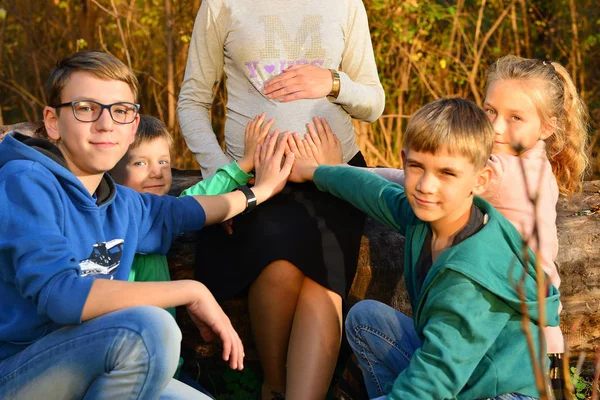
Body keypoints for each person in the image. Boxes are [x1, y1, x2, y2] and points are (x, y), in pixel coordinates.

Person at [0, 50, 293, 400]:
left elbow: (188, 210)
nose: (105, 124)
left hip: (97, 366)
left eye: (120, 111)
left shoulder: (123, 204)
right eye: (86, 108)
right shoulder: (25, 181)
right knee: (149, 328)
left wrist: (257, 192)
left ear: (133, 126)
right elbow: (60, 296)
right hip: (18, 373)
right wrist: (191, 291)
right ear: (52, 121)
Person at [177, 1, 385, 398]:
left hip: (332, 176)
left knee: (323, 280)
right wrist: (226, 177)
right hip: (256, 181)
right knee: (280, 263)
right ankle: (273, 384)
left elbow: (374, 103)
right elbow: (192, 101)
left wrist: (333, 82)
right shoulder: (222, 5)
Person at [287, 97, 560, 399]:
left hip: (501, 392)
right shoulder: (433, 216)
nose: (426, 186)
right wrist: (316, 172)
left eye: (447, 173)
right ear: (403, 161)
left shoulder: (470, 277)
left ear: (481, 180)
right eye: (417, 167)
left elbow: (433, 379)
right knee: (366, 320)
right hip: (462, 373)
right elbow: (376, 193)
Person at [361, 56, 589, 384]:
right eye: (490, 110)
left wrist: (353, 170)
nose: (496, 126)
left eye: (515, 118)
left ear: (547, 127)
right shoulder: (535, 167)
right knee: (367, 319)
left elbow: (410, 179)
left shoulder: (502, 173)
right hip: (529, 346)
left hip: (509, 359)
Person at [110, 113, 270, 316]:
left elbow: (200, 197)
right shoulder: (115, 219)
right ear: (109, 169)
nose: (157, 172)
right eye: (140, 163)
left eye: (163, 161)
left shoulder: (165, 210)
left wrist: (245, 164)